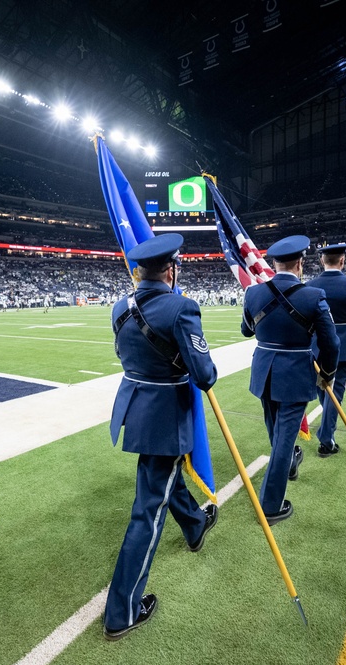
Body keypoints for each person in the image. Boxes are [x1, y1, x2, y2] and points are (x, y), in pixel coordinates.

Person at [104, 233, 219, 640]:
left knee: (162, 481)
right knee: (146, 511)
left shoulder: (120, 307)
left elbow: (125, 355)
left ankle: (193, 526)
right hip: (166, 418)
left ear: (139, 270)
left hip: (135, 409)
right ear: (171, 269)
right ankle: (122, 611)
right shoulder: (181, 307)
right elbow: (204, 374)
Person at [242, 235, 339, 524]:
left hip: (264, 372)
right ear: (300, 263)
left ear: (274, 263)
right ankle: (270, 505)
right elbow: (331, 343)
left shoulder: (253, 293)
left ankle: (287, 466)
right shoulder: (314, 295)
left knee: (276, 431)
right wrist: (328, 373)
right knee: (284, 439)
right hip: (295, 373)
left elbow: (247, 331)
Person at [305, 243, 346, 458]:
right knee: (336, 393)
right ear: (342, 260)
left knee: (324, 390)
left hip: (316, 346)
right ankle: (326, 440)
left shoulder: (310, 285)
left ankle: (327, 433)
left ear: (322, 261)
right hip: (342, 345)